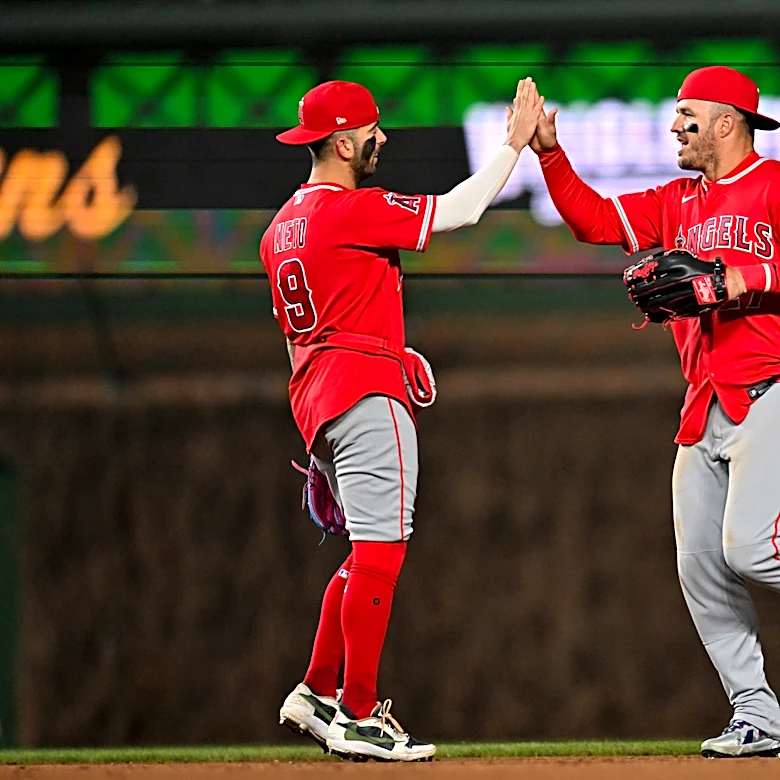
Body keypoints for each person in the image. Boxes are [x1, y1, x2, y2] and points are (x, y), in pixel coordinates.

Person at [260, 77, 543, 762]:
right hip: (363, 395)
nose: (380, 138)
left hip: (320, 397)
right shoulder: (346, 209)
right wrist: (514, 144)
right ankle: (358, 712)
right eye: (370, 128)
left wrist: (389, 348)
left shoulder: (279, 228)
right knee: (384, 553)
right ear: (341, 139)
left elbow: (319, 329)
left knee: (365, 551)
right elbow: (464, 210)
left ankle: (319, 690)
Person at [531, 65, 780, 758]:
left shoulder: (774, 185)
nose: (676, 125)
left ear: (727, 122)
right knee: (701, 565)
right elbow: (588, 218)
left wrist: (744, 278)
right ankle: (759, 715)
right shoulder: (675, 200)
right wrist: (549, 151)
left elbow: (750, 278)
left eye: (689, 114)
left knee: (752, 547)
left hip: (772, 389)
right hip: (704, 406)